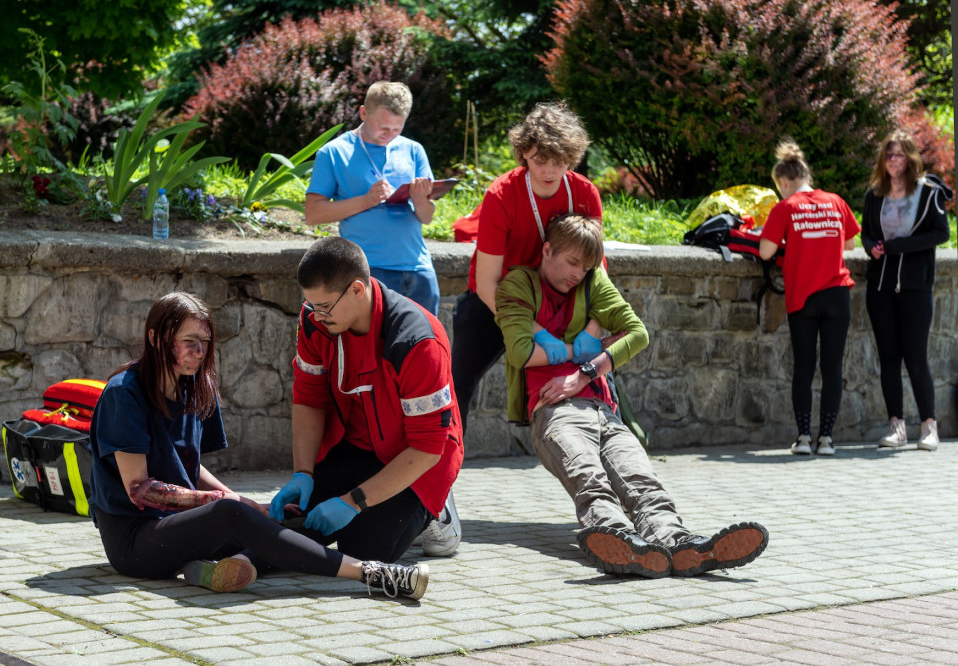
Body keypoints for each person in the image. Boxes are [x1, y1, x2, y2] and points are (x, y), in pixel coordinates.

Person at [88, 292, 429, 600]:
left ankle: (213, 569)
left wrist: (243, 501)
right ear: (156, 338)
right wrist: (219, 502)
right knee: (230, 513)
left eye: (205, 341)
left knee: (288, 517)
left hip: (178, 526)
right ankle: (372, 573)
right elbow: (140, 489)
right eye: (189, 340)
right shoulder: (125, 393)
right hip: (135, 539)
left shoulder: (193, 384)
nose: (200, 351)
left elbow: (188, 466)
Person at [494, 213, 769, 578]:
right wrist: (584, 347)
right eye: (572, 262)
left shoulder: (592, 283)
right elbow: (519, 352)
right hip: (556, 411)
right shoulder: (518, 284)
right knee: (589, 480)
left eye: (586, 266)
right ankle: (620, 542)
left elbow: (638, 334)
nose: (577, 273)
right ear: (547, 250)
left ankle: (683, 546)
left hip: (606, 411)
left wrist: (585, 371)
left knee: (644, 483)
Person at [268, 237, 464, 563]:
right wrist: (302, 473)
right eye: (310, 305)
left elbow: (429, 447)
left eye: (325, 306)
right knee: (288, 526)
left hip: (417, 460)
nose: (317, 316)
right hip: (357, 449)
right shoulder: (316, 321)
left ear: (358, 289)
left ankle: (437, 508)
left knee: (363, 551)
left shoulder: (416, 340)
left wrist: (353, 501)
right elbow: (308, 399)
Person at [451, 102, 604, 431]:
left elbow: (597, 276)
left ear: (572, 157)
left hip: (561, 302)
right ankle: (444, 473)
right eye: (540, 160)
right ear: (524, 155)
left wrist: (592, 329)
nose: (549, 171)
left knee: (596, 379)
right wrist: (536, 331)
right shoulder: (501, 194)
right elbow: (487, 282)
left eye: (559, 161)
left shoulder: (584, 193)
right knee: (455, 383)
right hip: (499, 301)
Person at [759, 140, 861, 457]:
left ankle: (803, 438)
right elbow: (850, 246)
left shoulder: (786, 208)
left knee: (804, 366)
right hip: (837, 293)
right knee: (832, 367)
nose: (781, 193)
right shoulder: (836, 202)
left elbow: (765, 251)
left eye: (780, 188)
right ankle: (827, 439)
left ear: (785, 181)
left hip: (803, 296)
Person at [304, 81, 440, 316]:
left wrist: (420, 200)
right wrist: (366, 200)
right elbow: (313, 214)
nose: (389, 135)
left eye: (397, 129)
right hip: (368, 269)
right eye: (383, 127)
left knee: (425, 348)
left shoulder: (414, 150)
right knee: (373, 350)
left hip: (418, 267)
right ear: (364, 112)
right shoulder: (334, 152)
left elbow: (427, 218)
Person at [860, 130, 952, 451]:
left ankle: (928, 426)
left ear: (911, 158)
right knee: (888, 358)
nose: (893, 160)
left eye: (898, 154)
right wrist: (872, 246)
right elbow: (866, 234)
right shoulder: (874, 194)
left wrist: (900, 247)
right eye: (888, 155)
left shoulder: (928, 193)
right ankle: (895, 425)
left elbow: (940, 234)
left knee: (916, 358)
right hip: (881, 287)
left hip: (915, 287)